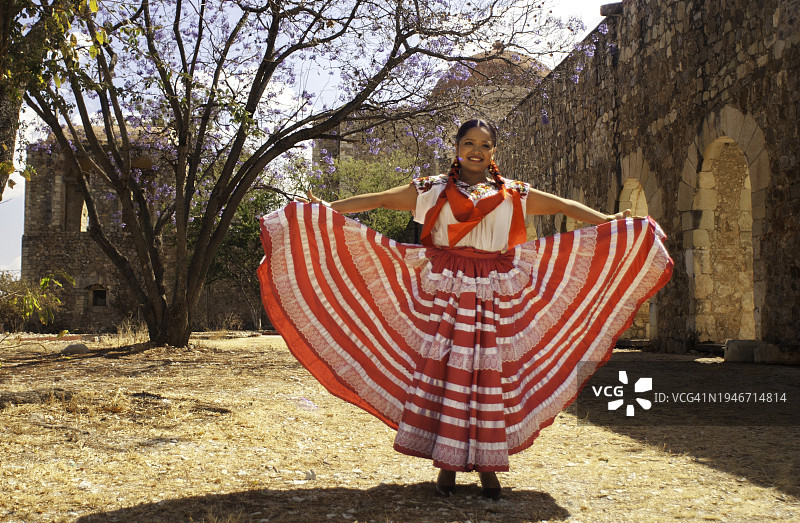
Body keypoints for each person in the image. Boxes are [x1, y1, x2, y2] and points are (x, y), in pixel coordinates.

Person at [257, 118, 673, 500]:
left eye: (485, 145)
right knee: (447, 371)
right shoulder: (432, 189)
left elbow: (565, 207)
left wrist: (608, 218)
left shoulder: (514, 193)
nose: (477, 150)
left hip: (495, 289)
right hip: (446, 288)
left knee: (490, 374)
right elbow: (382, 200)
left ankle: (489, 466)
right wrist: (328, 209)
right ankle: (448, 466)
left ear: (494, 152)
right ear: (457, 147)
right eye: (469, 143)